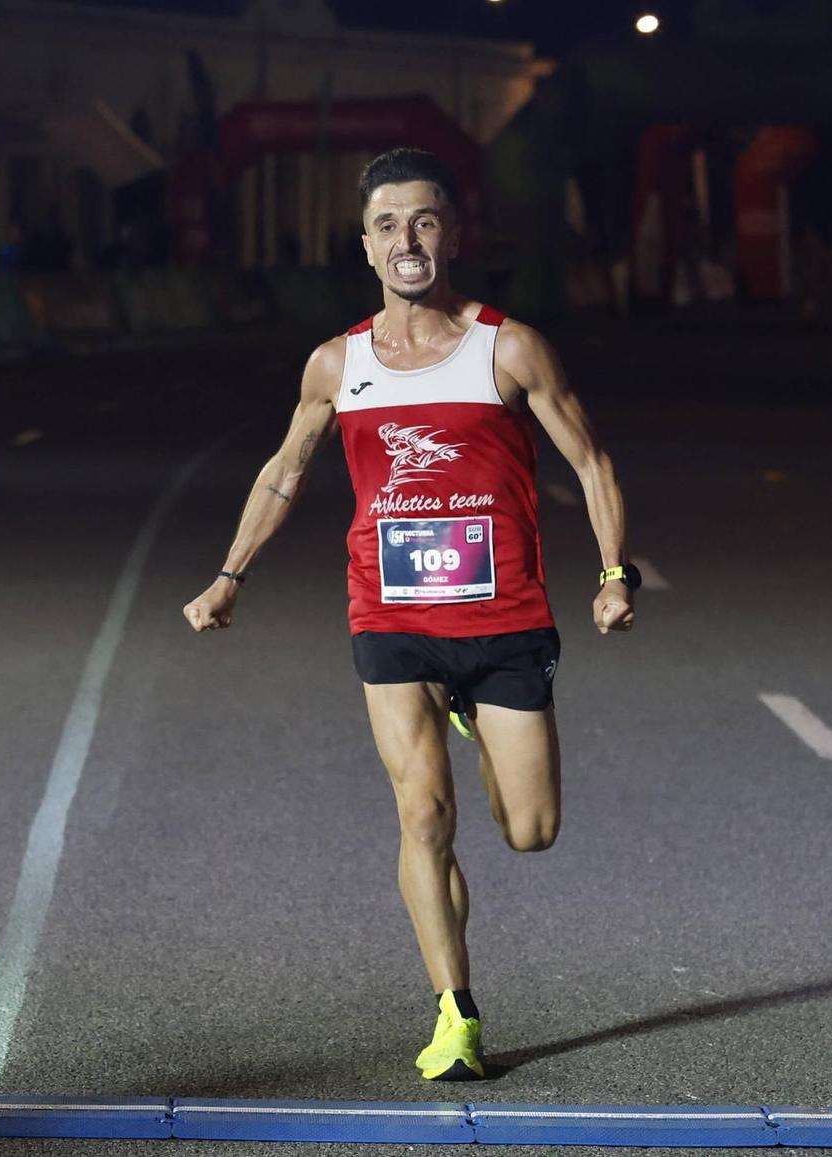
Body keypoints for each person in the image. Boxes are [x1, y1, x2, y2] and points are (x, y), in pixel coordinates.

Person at [182, 148, 638, 1083]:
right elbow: (286, 469)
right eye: (388, 225)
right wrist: (232, 572)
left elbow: (590, 462)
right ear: (364, 245)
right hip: (389, 616)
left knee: (529, 830)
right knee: (423, 812)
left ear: (454, 234)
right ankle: (456, 1010)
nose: (407, 241)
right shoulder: (336, 363)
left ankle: (477, 716)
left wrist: (613, 572)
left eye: (424, 221)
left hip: (504, 615)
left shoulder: (506, 347)